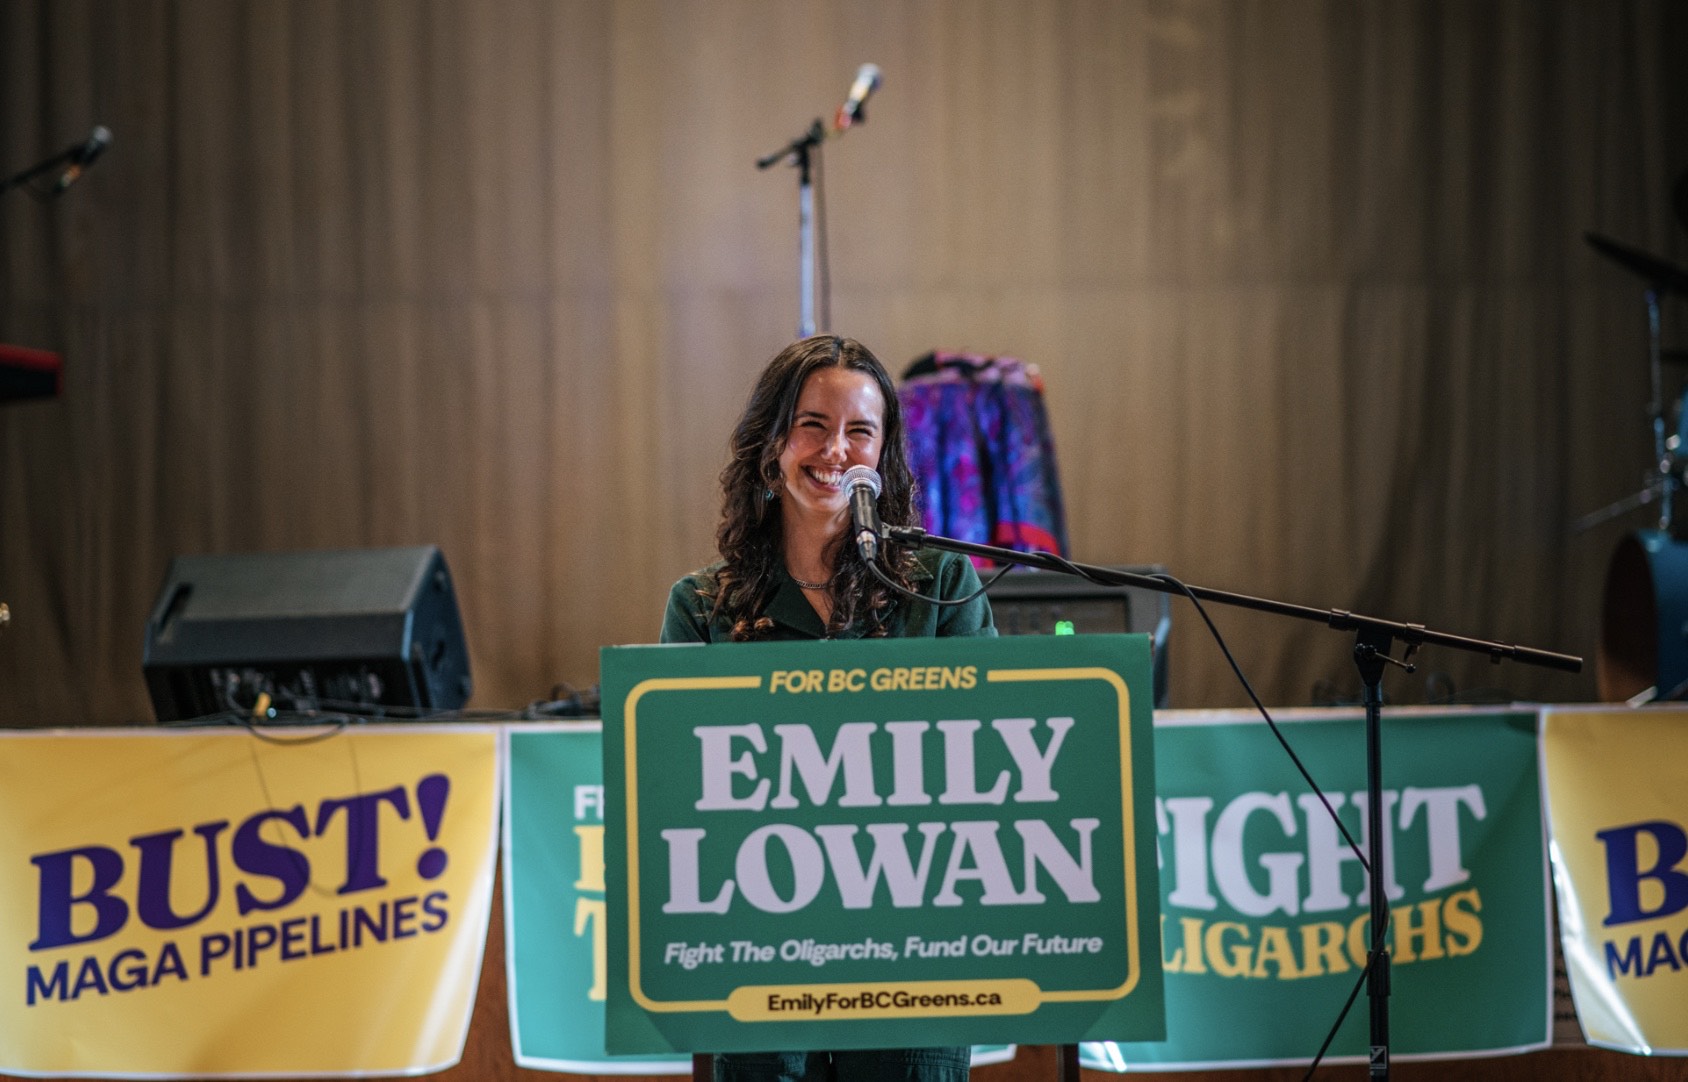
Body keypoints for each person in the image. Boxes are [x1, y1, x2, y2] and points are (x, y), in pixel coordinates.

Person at [660, 334, 995, 1082]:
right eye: (812, 424)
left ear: (886, 454)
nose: (835, 451)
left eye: (860, 431)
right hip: (756, 950)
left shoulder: (943, 586)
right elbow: (674, 788)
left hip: (915, 950)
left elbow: (983, 765)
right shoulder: (702, 606)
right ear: (772, 442)